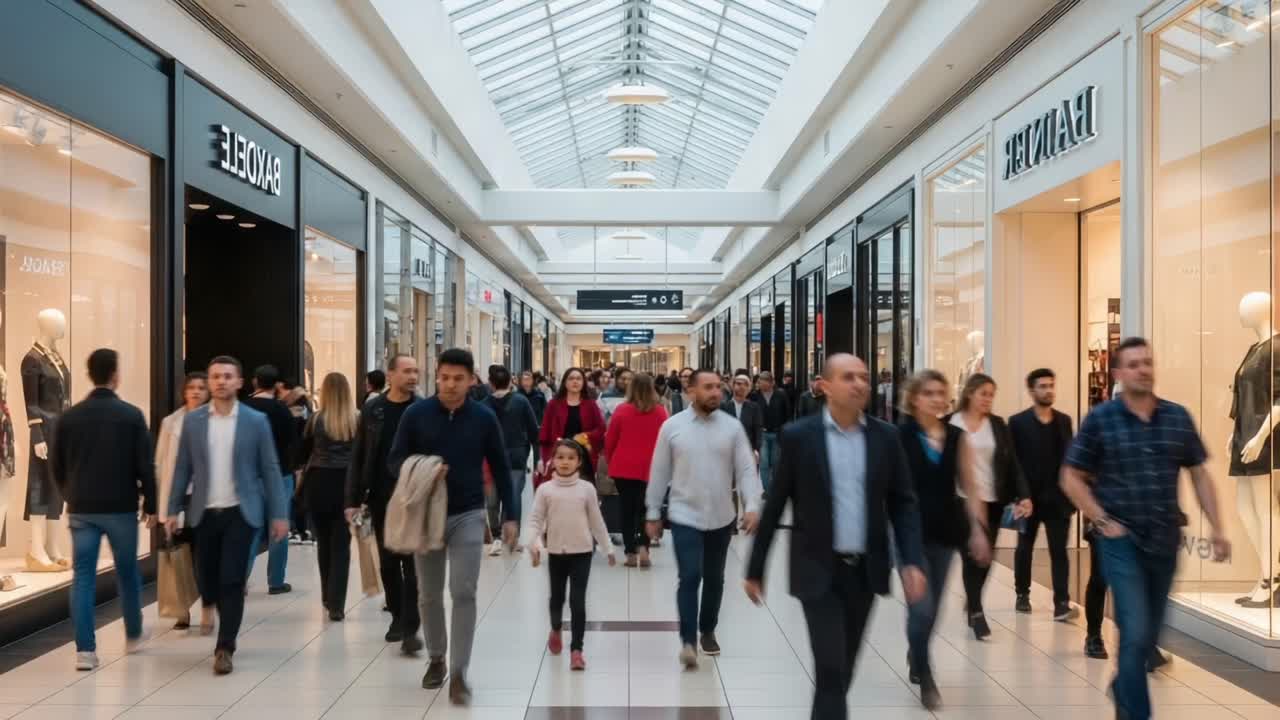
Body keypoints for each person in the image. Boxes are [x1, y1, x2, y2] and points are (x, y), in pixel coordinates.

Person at [744, 354, 926, 720]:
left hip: (865, 570)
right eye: (848, 377)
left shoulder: (886, 438)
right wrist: (755, 567)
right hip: (817, 570)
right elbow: (776, 502)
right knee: (829, 669)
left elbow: (904, 504)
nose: (859, 384)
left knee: (842, 671)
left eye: (863, 377)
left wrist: (911, 561)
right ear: (824, 386)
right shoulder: (799, 437)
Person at [1060, 337, 1230, 720]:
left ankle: (1123, 685)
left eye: (1148, 362)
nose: (1143, 369)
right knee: (1134, 632)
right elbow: (1070, 477)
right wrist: (1101, 519)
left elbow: (1199, 475)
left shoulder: (1177, 417)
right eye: (1134, 364)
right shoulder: (1101, 419)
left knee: (1149, 638)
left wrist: (1218, 527)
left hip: (1165, 540)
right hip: (1121, 541)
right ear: (1118, 373)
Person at [388, 348, 516, 705]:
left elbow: (501, 467)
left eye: (458, 378)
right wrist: (423, 468)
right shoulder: (417, 414)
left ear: (472, 380)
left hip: (468, 515)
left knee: (464, 591)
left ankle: (459, 671)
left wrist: (511, 516)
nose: (450, 384)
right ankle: (436, 657)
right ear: (437, 376)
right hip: (426, 515)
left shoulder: (483, 417)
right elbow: (395, 460)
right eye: (444, 377)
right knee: (428, 593)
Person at [165, 356, 289, 675]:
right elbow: (182, 469)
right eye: (215, 376)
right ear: (209, 382)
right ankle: (209, 603)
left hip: (240, 512)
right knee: (206, 578)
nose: (220, 381)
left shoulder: (255, 421)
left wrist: (279, 513)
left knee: (232, 580)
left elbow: (270, 469)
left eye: (227, 376)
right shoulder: (193, 422)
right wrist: (172, 509)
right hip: (203, 513)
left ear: (239, 382)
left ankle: (225, 646)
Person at [646, 368, 762, 668]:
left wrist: (752, 505)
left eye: (717, 387)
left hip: (722, 516)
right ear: (691, 391)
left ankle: (707, 628)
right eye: (708, 387)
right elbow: (659, 472)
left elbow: (747, 468)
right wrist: (652, 511)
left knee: (714, 578)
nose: (715, 392)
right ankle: (687, 640)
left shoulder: (732, 428)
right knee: (689, 577)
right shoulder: (672, 427)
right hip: (684, 514)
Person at [52, 349, 157, 671]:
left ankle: (85, 650)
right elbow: (145, 465)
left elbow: (57, 465)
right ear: (115, 374)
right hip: (121, 507)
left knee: (82, 576)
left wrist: (69, 492)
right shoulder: (131, 415)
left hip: (82, 508)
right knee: (127, 572)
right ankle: (134, 632)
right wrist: (151, 502)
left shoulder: (69, 417)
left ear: (89, 374)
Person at [897, 369, 990, 710]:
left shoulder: (956, 437)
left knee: (933, 606)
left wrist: (979, 529)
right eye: (929, 393)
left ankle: (916, 650)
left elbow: (971, 484)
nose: (937, 399)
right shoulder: (900, 437)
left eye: (942, 392)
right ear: (914, 398)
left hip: (945, 531)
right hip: (908, 532)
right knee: (919, 605)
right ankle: (925, 672)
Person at [346, 354, 423, 654]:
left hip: (414, 496)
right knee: (389, 561)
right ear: (390, 375)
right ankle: (398, 616)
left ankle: (411, 620)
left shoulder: (423, 408)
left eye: (415, 371)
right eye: (406, 371)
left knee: (413, 563)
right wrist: (352, 498)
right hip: (380, 495)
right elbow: (359, 454)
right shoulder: (373, 409)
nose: (413, 376)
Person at [949, 373, 1030, 640]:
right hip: (961, 501)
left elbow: (1014, 463)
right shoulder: (952, 423)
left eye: (991, 395)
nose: (988, 399)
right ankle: (976, 610)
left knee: (986, 558)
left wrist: (1022, 495)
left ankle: (972, 599)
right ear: (970, 393)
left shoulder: (997, 425)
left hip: (993, 499)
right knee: (970, 554)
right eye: (983, 393)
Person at [525, 439, 616, 671]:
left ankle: (577, 649)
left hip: (582, 553)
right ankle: (556, 628)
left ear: (579, 462)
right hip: (556, 552)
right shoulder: (545, 490)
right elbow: (535, 520)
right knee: (557, 599)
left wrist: (608, 548)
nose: (565, 462)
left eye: (570, 458)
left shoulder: (587, 489)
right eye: (560, 457)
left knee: (577, 601)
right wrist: (533, 543)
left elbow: (597, 522)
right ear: (552, 460)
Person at [1009, 368, 1077, 620]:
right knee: (1024, 548)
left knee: (1059, 551)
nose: (1048, 390)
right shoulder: (1017, 422)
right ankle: (1022, 594)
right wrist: (1020, 495)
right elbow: (1013, 462)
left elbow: (1070, 459)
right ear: (1031, 390)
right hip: (1028, 499)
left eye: (1051, 385)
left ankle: (1061, 603)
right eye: (1043, 386)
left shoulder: (1064, 421)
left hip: (1058, 500)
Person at [155, 371, 212, 632]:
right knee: (179, 555)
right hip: (178, 498)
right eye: (192, 387)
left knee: (204, 555)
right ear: (184, 391)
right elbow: (160, 464)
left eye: (202, 387)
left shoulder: (216, 420)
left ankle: (208, 608)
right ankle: (182, 610)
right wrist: (161, 507)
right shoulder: (171, 423)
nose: (197, 392)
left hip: (205, 497)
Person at [300, 372, 357, 621]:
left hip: (318, 483)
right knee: (341, 546)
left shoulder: (315, 420)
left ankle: (326, 594)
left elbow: (302, 453)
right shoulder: (356, 420)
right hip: (346, 485)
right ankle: (337, 604)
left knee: (323, 542)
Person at [243, 364, 298, 594]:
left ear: (255, 381)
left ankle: (240, 579)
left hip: (250, 476)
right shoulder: (281, 410)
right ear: (276, 385)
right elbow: (292, 443)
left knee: (250, 529)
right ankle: (276, 581)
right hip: (279, 474)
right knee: (279, 528)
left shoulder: (243, 408)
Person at [604, 373, 668, 568]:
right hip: (651, 468)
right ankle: (643, 547)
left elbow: (610, 440)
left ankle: (630, 552)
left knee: (626, 510)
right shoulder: (660, 412)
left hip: (623, 467)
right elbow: (666, 441)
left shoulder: (621, 410)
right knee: (646, 509)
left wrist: (610, 461)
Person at [485, 365, 539, 556]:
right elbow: (534, 431)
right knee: (513, 496)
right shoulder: (521, 402)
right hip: (516, 456)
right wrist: (538, 457)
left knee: (492, 499)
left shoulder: (483, 404)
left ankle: (497, 536)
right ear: (510, 381)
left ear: (490, 383)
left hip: (490, 458)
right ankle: (512, 537)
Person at [540, 368, 605, 482]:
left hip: (583, 459)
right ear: (565, 382)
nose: (575, 381)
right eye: (571, 378)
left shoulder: (591, 404)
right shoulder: (554, 404)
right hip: (559, 457)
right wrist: (543, 459)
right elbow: (545, 434)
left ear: (583, 382)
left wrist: (586, 436)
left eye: (579, 379)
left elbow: (601, 429)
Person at [751, 370, 791, 491]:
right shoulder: (755, 396)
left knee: (775, 462)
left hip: (777, 432)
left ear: (771, 382)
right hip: (762, 433)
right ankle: (768, 491)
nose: (761, 384)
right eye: (759, 382)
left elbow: (787, 413)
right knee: (763, 463)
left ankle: (775, 488)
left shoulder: (781, 395)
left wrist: (785, 430)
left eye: (763, 381)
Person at [721, 373, 763, 457]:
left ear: (749, 388)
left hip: (748, 451)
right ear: (733, 386)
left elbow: (757, 429)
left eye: (745, 384)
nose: (742, 387)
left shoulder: (754, 407)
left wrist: (756, 449)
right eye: (739, 384)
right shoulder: (724, 406)